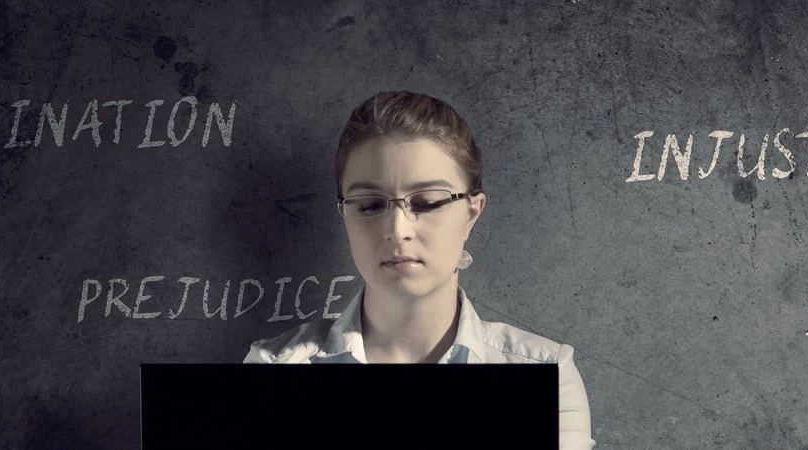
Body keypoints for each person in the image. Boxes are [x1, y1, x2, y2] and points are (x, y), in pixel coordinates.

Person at [242, 91, 595, 449]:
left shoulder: (546, 374)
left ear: (471, 213)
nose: (398, 230)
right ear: (344, 216)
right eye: (368, 205)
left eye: (427, 203)